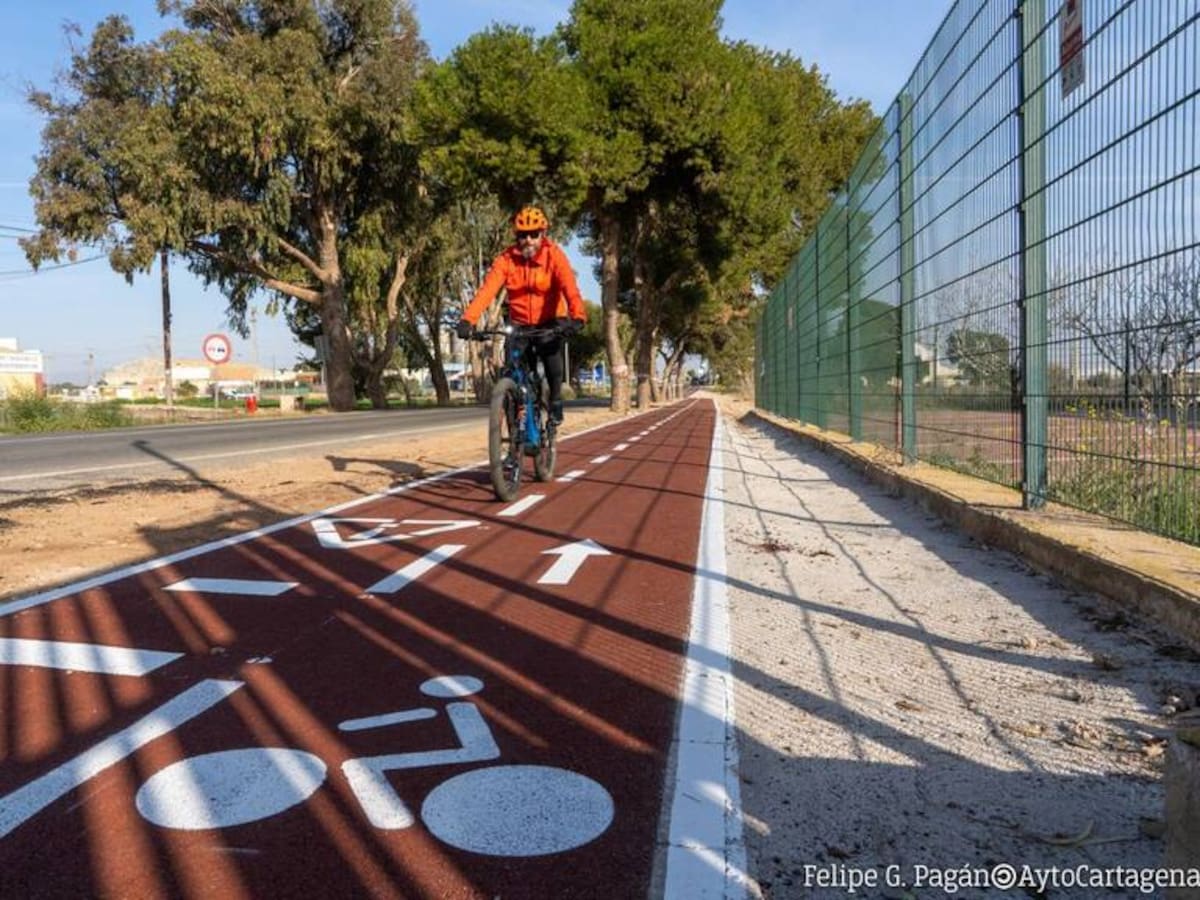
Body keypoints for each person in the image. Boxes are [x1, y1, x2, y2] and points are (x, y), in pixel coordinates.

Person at [456, 206, 586, 424]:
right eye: (522, 235)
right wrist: (468, 319)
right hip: (519, 323)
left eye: (534, 234)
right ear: (516, 236)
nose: (528, 240)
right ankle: (513, 439)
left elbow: (570, 288)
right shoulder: (506, 260)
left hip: (550, 321)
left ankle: (555, 400)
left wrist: (578, 316)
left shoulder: (554, 256)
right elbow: (487, 291)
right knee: (511, 373)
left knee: (553, 363)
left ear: (542, 234)